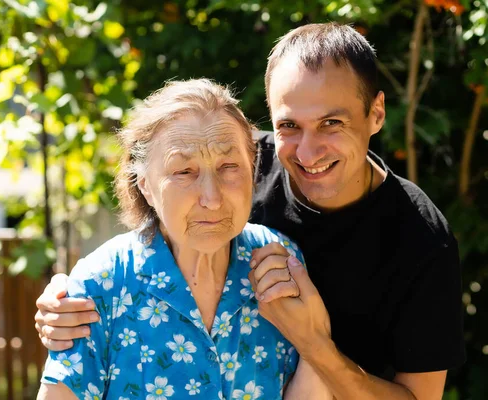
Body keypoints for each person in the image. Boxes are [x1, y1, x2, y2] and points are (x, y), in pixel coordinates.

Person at [35, 23, 465, 399]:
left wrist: (314, 343)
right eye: (289, 126)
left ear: (376, 114)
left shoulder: (420, 240)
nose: (308, 151)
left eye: (332, 123)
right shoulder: (238, 160)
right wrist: (71, 297)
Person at [37, 79, 331, 399]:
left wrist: (317, 335)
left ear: (253, 167)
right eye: (184, 172)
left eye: (229, 166)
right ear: (146, 185)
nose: (212, 197)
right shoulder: (100, 284)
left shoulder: (280, 261)